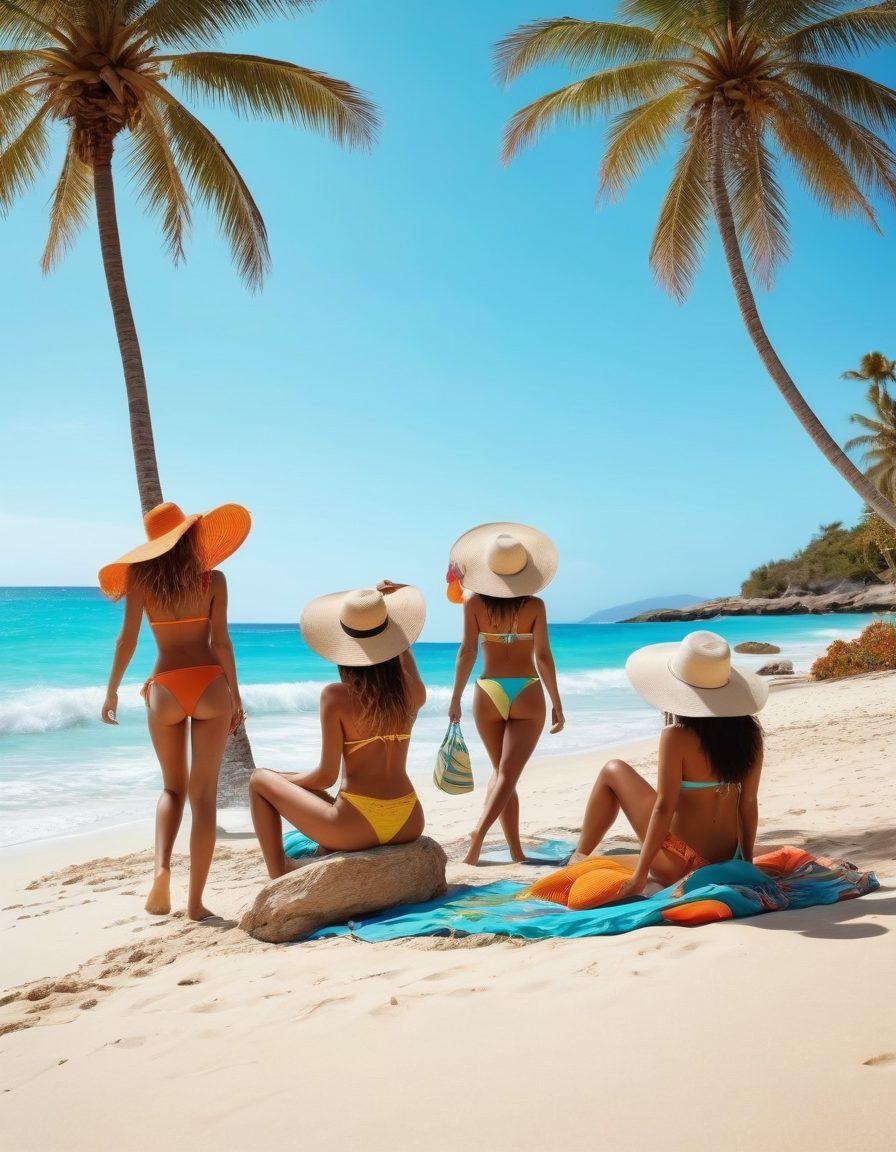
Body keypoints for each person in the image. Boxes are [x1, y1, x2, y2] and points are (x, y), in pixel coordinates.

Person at [99, 501, 250, 920]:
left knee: (172, 790)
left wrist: (112, 691)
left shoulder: (141, 580)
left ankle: (162, 870)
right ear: (190, 538)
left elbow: (127, 641)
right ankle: (195, 904)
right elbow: (221, 643)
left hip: (165, 686)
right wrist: (235, 696)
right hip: (209, 685)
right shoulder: (213, 580)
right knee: (203, 797)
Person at [249, 581, 426, 878]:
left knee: (258, 780)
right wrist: (388, 618)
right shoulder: (413, 692)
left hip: (357, 825)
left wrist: (280, 779)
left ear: (345, 647)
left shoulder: (336, 696)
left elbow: (325, 777)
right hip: (409, 819)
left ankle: (280, 870)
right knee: (308, 792)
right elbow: (402, 653)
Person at [571, 630, 767, 897]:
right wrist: (746, 864)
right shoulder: (750, 735)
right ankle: (579, 856)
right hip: (728, 857)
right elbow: (748, 803)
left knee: (613, 770)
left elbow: (664, 808)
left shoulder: (677, 736)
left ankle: (578, 857)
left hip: (681, 863)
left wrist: (640, 876)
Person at [447, 523, 564, 865]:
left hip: (488, 690)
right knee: (507, 775)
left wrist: (455, 698)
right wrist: (557, 703)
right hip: (527, 690)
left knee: (502, 773)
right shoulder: (536, 606)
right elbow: (543, 657)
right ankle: (479, 835)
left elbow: (467, 651)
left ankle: (515, 851)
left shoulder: (473, 602)